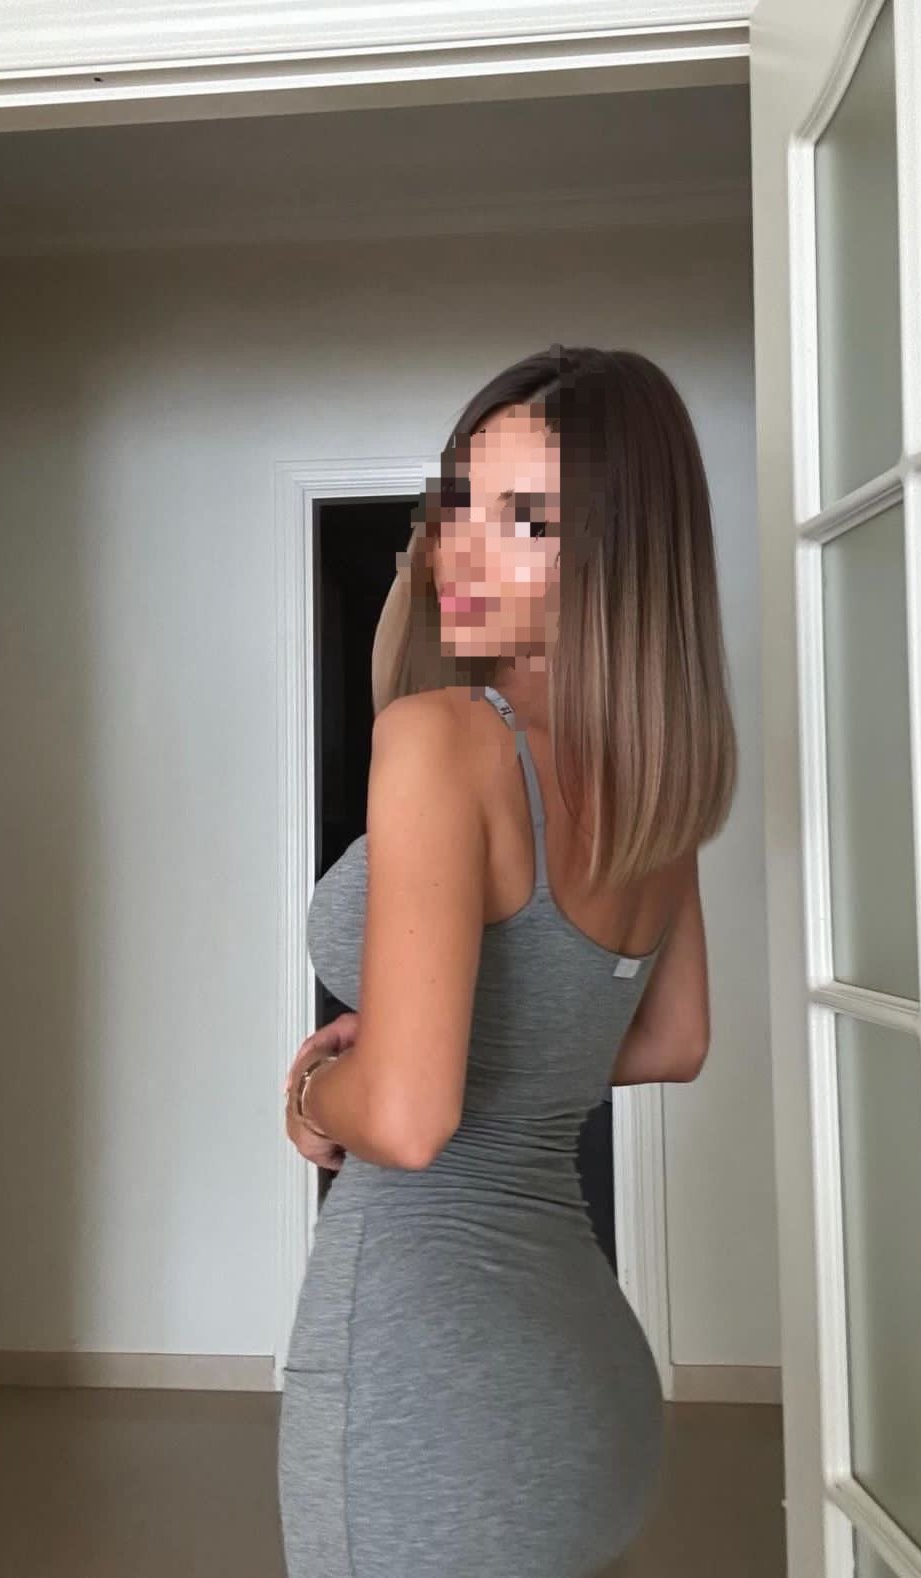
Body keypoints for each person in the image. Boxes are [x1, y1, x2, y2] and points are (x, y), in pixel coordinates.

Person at [278, 345, 737, 1578]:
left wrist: (318, 1094)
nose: (463, 552)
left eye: (527, 519)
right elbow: (671, 1040)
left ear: (615, 553)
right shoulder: (654, 773)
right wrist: (452, 1047)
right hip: (588, 1379)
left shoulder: (440, 743)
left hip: (430, 1383)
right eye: (458, 506)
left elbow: (408, 1121)